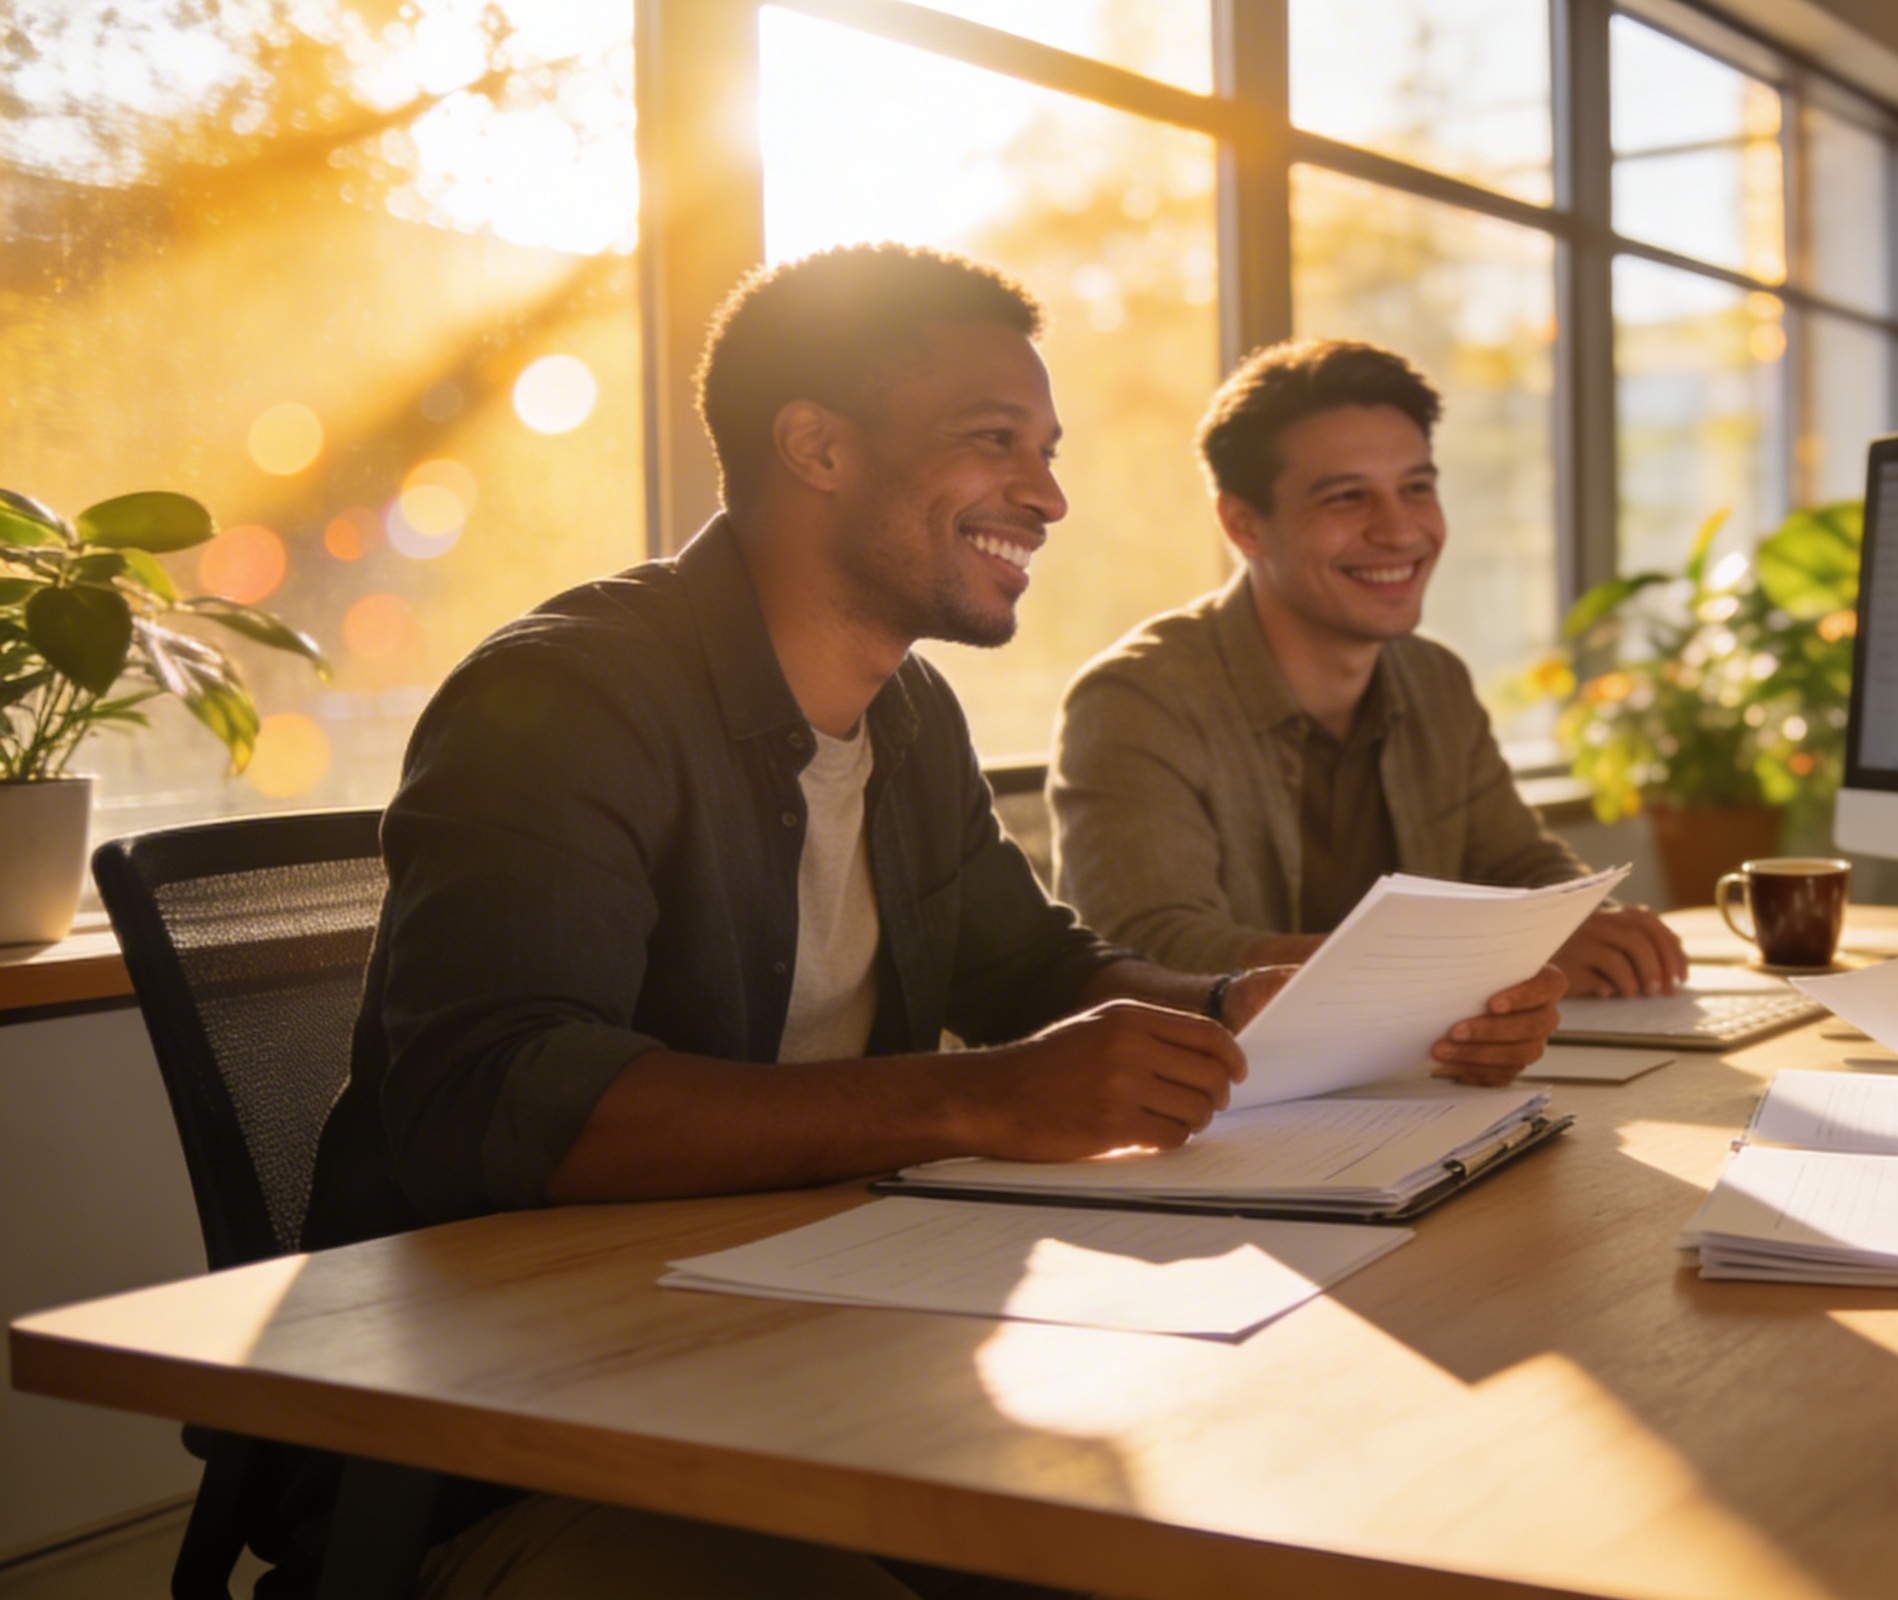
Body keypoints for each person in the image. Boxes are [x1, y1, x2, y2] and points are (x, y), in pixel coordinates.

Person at [297, 246, 1564, 1598]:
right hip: (531, 1433)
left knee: (1276, 1501)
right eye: (994, 442)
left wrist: (1224, 1012)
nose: (1051, 493)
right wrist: (975, 1100)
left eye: (1049, 448)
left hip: (814, 1348)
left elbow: (1031, 968)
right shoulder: (562, 700)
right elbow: (500, 1096)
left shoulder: (909, 715)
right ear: (816, 448)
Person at [1047, 338, 1687, 997]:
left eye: (1416, 488)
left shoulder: (1435, 678)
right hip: (1231, 1093)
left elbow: (1516, 863)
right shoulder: (1136, 699)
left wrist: (1588, 923)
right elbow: (1151, 947)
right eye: (1347, 498)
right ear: (1244, 526)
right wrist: (1483, 959)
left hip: (1434, 1076)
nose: (1400, 530)